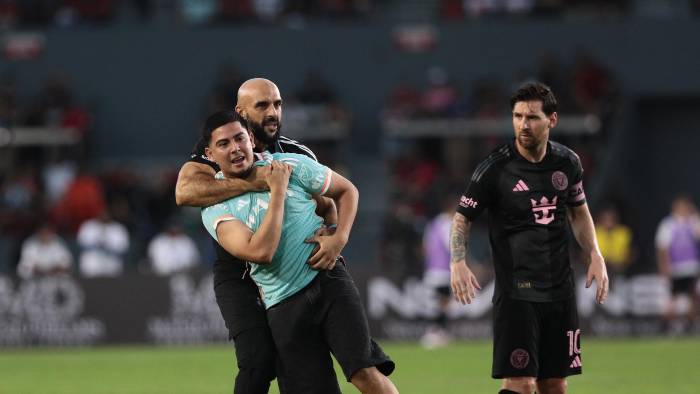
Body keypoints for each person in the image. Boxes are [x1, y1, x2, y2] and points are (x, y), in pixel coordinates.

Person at [175, 78, 383, 394]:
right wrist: (260, 182)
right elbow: (185, 192)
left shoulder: (293, 154)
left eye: (277, 104)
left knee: (357, 367)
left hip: (301, 270)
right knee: (258, 362)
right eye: (262, 106)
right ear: (240, 111)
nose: (272, 113)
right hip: (239, 270)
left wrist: (335, 236)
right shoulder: (215, 151)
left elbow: (330, 203)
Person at [449, 81, 608, 394]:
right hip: (516, 294)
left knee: (555, 385)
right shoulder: (495, 168)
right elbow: (462, 218)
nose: (523, 124)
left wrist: (596, 255)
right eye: (517, 116)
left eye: (532, 117)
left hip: (560, 291)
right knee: (520, 383)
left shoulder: (567, 163)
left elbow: (578, 212)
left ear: (552, 120)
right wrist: (457, 261)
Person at [655, 194, 700, 333]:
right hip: (676, 269)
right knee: (673, 298)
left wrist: (695, 214)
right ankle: (666, 326)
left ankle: (690, 325)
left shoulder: (692, 222)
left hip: (692, 267)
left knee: (694, 298)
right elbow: (662, 248)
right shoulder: (668, 224)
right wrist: (664, 266)